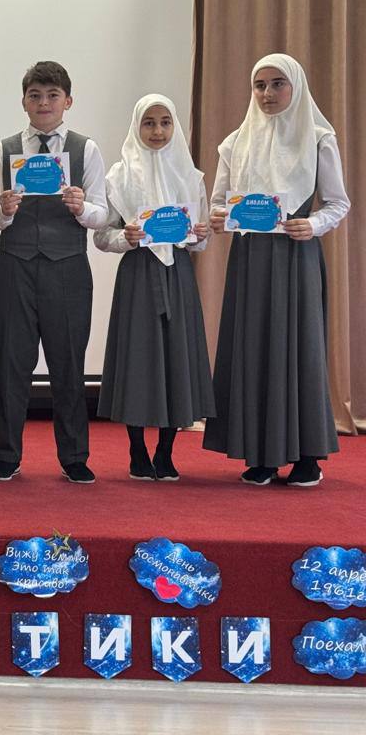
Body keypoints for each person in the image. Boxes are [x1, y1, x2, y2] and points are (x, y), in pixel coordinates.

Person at [203, 54, 350, 487]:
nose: (267, 93)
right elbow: (218, 202)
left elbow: (337, 202)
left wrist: (314, 224)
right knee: (254, 347)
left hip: (295, 257)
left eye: (277, 84)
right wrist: (218, 218)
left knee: (300, 347)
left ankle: (307, 456)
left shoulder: (319, 139)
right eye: (260, 85)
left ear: (296, 87)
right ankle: (261, 454)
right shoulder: (235, 143)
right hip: (250, 260)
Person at [0, 61, 107, 483]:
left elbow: (102, 213)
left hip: (68, 268)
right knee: (11, 365)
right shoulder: (4, 150)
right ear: (24, 101)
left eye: (53, 95)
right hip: (14, 267)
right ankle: (7, 455)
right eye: (35, 95)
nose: (43, 103)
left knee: (68, 365)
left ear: (67, 101)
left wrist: (82, 207)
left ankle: (74, 457)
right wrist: (3, 210)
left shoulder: (86, 149)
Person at [94, 94, 214, 481]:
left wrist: (200, 234)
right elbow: (102, 236)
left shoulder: (191, 176)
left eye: (165, 122)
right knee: (137, 358)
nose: (158, 131)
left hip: (177, 274)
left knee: (176, 357)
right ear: (137, 126)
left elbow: (200, 242)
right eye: (149, 123)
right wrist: (125, 237)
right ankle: (136, 449)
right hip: (138, 274)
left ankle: (165, 451)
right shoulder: (118, 177)